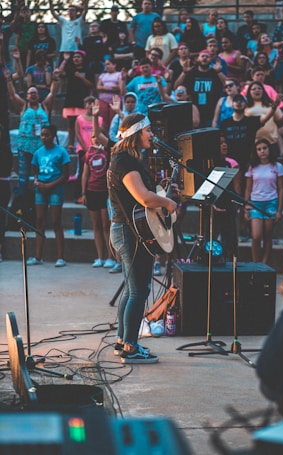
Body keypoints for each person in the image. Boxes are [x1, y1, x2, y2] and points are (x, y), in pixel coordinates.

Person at [107, 113, 177, 363]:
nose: (152, 135)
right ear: (136, 133)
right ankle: (131, 347)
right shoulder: (124, 161)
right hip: (129, 233)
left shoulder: (127, 159)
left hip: (126, 231)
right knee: (139, 291)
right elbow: (144, 198)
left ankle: (121, 342)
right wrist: (167, 202)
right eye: (148, 130)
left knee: (131, 289)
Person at [4, 66, 59, 203]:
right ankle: (21, 204)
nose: (33, 94)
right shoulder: (23, 106)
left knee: (42, 175)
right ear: (27, 96)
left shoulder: (45, 106)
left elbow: (52, 93)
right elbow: (12, 95)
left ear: (38, 95)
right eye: (30, 93)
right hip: (25, 147)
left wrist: (55, 79)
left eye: (35, 92)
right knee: (23, 176)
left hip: (42, 148)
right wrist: (9, 80)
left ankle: (40, 200)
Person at [27, 125, 70, 267]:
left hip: (56, 188)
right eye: (42, 135)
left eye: (47, 135)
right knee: (40, 221)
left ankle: (61, 257)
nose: (44, 137)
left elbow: (65, 175)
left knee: (56, 221)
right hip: (41, 189)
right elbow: (35, 171)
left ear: (53, 136)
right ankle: (38, 256)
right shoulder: (38, 153)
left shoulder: (61, 152)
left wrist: (50, 186)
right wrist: (36, 181)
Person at [81, 105, 116, 270]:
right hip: (91, 191)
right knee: (95, 226)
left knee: (106, 225)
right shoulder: (88, 153)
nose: (95, 138)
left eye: (97, 136)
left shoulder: (107, 152)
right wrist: (83, 192)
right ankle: (100, 257)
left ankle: (111, 257)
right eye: (93, 136)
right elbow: (85, 174)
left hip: (105, 192)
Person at [244, 138, 283, 264]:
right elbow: (248, 188)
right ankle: (256, 264)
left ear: (269, 149)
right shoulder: (252, 167)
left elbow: (281, 189)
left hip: (271, 202)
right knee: (256, 236)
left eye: (264, 148)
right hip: (255, 203)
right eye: (259, 149)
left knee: (268, 236)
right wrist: (246, 207)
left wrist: (279, 210)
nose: (262, 151)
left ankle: (264, 264)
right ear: (256, 151)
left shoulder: (277, 166)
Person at [174, 48, 223, 128]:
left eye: (207, 56)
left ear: (211, 59)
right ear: (197, 59)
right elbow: (176, 87)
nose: (204, 58)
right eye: (202, 56)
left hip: (211, 113)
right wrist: (184, 72)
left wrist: (219, 72)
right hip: (194, 113)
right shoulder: (192, 73)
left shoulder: (214, 73)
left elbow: (227, 85)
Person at [59, 50, 94, 153]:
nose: (76, 59)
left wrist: (81, 77)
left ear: (82, 59)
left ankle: (83, 144)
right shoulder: (70, 69)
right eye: (74, 57)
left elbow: (91, 85)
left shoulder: (88, 70)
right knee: (70, 123)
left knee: (82, 123)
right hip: (70, 99)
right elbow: (60, 73)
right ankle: (70, 145)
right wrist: (64, 61)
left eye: (78, 57)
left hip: (82, 100)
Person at [245, 80, 283, 158]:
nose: (257, 90)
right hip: (254, 142)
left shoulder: (271, 105)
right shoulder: (245, 107)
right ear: (249, 92)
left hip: (271, 141)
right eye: (254, 89)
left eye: (259, 88)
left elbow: (279, 119)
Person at [74, 95, 103, 202]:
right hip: (83, 149)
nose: (90, 105)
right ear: (85, 105)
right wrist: (86, 148)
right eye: (88, 103)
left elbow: (101, 134)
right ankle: (79, 195)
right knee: (82, 171)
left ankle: (91, 194)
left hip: (97, 149)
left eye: (92, 103)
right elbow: (77, 134)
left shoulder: (99, 119)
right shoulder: (79, 119)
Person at [96, 57, 122, 134]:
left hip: (114, 101)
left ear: (114, 65)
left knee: (113, 120)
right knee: (104, 121)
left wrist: (104, 88)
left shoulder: (119, 74)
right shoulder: (103, 75)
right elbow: (98, 87)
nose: (106, 66)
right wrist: (111, 88)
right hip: (103, 100)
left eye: (108, 64)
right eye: (105, 64)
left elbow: (119, 88)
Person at [0, 123, 13, 262]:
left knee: (0, 219)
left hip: (2, 186)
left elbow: (5, 169)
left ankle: (0, 249)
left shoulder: (5, 150)